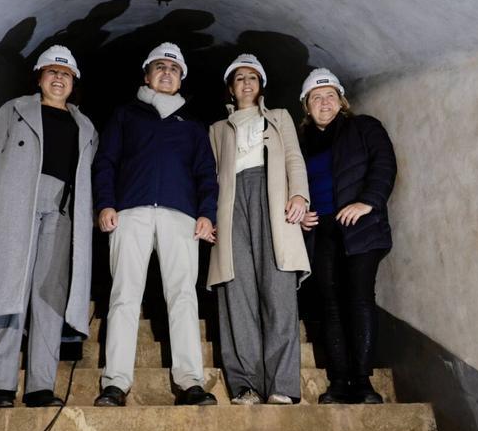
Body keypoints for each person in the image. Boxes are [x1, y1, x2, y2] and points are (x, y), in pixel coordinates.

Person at [0, 45, 97, 408]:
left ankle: (40, 387)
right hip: (17, 208)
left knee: (50, 297)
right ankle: (1, 385)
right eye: (52, 72)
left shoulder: (85, 126)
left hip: (61, 212)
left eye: (65, 75)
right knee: (10, 292)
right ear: (39, 77)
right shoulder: (15, 110)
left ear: (73, 82)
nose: (58, 79)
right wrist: (9, 201)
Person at [92, 42, 219, 407]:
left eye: (174, 69)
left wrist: (206, 212)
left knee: (182, 295)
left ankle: (190, 381)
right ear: (147, 75)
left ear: (181, 80)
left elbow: (206, 175)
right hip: (130, 212)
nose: (167, 73)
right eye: (160, 67)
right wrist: (105, 204)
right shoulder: (125, 115)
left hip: (180, 216)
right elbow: (106, 163)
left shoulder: (193, 126)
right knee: (124, 295)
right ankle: (115, 382)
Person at [207, 54, 310, 405]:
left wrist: (299, 194)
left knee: (278, 291)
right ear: (231, 87)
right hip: (231, 203)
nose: (246, 84)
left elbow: (294, 158)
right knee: (238, 293)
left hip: (272, 198)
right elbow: (210, 176)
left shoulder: (279, 117)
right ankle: (245, 385)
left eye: (252, 77)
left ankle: (282, 385)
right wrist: (206, 216)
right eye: (239, 78)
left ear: (260, 84)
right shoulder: (217, 129)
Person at [298, 68, 397, 404]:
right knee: (329, 305)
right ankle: (339, 381)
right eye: (316, 97)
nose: (324, 102)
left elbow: (384, 164)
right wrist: (299, 213)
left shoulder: (364, 127)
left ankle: (363, 381)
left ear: (341, 100)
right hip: (321, 231)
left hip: (360, 229)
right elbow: (292, 183)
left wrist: (367, 202)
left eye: (330, 96)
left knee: (358, 298)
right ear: (306, 106)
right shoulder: (301, 143)